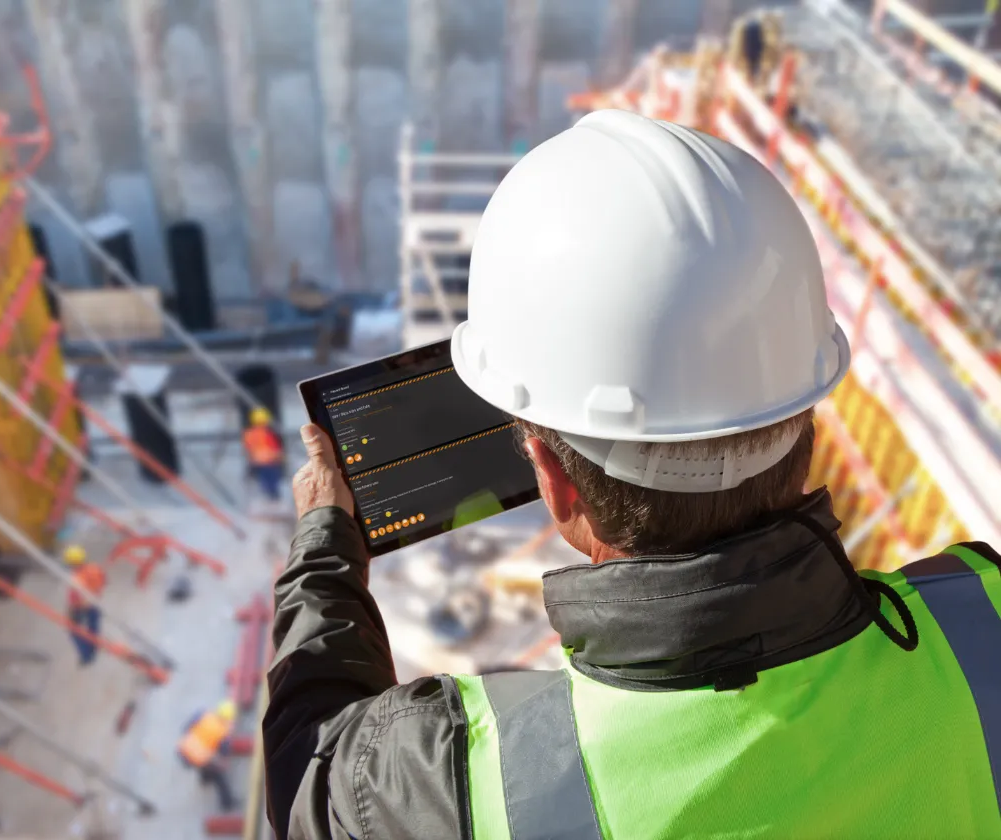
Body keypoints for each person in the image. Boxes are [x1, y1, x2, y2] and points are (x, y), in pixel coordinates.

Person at [263, 110, 1001, 838]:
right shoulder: (982, 616)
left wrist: (326, 548)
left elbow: (309, 771)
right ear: (804, 413)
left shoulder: (460, 784)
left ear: (553, 478)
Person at [179, 700, 238, 812]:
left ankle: (205, 779)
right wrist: (222, 763)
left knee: (205, 763)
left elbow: (186, 727)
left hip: (184, 751)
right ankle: (227, 803)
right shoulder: (223, 732)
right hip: (199, 756)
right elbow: (224, 753)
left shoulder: (203, 715)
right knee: (220, 777)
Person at [63, 544, 105, 667]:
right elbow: (102, 581)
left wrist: (71, 610)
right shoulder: (94, 568)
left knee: (74, 631)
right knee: (93, 628)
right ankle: (93, 650)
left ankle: (86, 656)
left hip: (81, 606)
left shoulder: (77, 578)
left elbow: (74, 597)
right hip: (95, 603)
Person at [243, 407, 285, 501]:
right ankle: (273, 500)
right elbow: (275, 447)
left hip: (258, 462)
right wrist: (280, 456)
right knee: (272, 483)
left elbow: (248, 449)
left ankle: (268, 500)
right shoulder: (267, 433)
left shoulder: (249, 433)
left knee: (264, 483)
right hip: (270, 461)